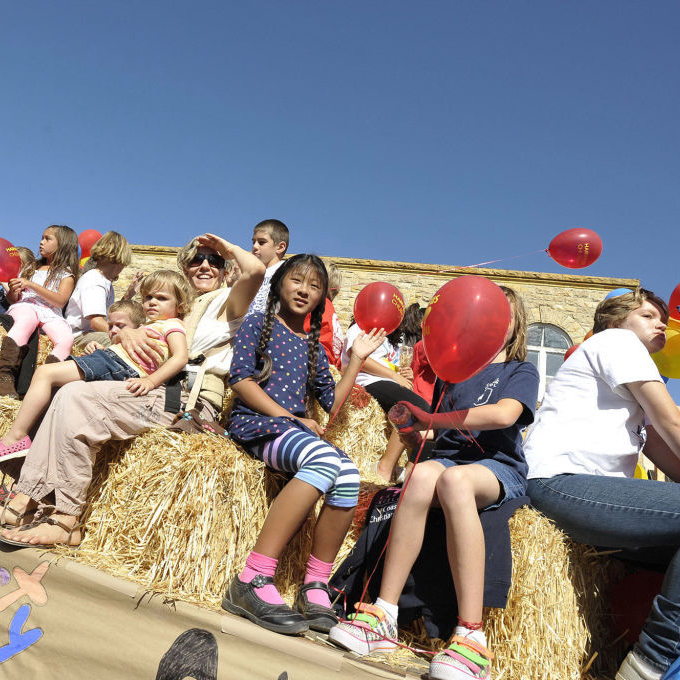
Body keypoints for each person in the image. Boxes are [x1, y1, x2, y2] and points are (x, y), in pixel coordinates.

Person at [0, 233, 265, 548]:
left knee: (77, 398)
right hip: (146, 386)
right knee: (65, 390)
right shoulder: (166, 304)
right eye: (196, 259)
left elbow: (254, 271)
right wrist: (123, 337)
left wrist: (227, 249)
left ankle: (65, 520)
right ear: (184, 268)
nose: (205, 265)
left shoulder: (226, 303)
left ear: (225, 269)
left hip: (183, 396)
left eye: (214, 261)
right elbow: (111, 336)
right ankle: (22, 503)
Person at [521, 289, 680, 680]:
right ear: (616, 320)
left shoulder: (622, 365)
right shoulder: (617, 341)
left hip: (591, 496)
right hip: (559, 483)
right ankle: (649, 664)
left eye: (661, 316)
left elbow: (661, 448)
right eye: (648, 315)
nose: (661, 323)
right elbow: (673, 423)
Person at [329, 287, 538, 680]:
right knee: (423, 474)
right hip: (447, 461)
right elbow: (435, 440)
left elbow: (503, 415)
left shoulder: (519, 370)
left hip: (496, 467)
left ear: (516, 324)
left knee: (456, 482)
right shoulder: (455, 373)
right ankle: (385, 614)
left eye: (501, 315)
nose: (491, 323)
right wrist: (411, 433)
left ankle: (471, 636)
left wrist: (432, 423)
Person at [222, 254, 387, 636]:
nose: (304, 291)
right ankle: (253, 577)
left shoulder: (313, 346)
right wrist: (289, 417)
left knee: (346, 473)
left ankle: (314, 585)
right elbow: (241, 380)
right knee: (327, 461)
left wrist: (357, 361)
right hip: (258, 426)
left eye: (315, 287)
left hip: (292, 433)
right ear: (280, 282)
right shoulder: (258, 324)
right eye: (297, 281)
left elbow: (335, 403)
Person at [0, 271, 191, 466]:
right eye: (148, 297)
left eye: (161, 298)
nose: (152, 302)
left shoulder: (173, 326)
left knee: (45, 373)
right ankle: (27, 447)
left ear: (180, 307)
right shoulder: (149, 326)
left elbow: (180, 357)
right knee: (53, 388)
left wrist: (151, 381)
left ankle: (16, 437)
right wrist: (104, 346)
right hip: (113, 360)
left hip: (121, 366)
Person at [344, 303, 427, 483]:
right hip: (367, 381)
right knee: (421, 408)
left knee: (416, 414)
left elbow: (394, 369)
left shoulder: (392, 341)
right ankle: (385, 468)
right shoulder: (360, 328)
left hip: (387, 383)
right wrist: (393, 376)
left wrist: (405, 374)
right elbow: (359, 359)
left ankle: (409, 474)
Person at [0, 225, 79, 397]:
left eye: (48, 239)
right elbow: (13, 299)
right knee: (27, 320)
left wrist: (30, 284)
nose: (41, 242)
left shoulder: (66, 274)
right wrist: (14, 290)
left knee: (66, 339)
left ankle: (44, 381)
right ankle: (4, 376)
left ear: (63, 244)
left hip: (50, 313)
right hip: (26, 306)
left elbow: (60, 300)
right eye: (42, 237)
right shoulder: (31, 268)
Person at [67, 231, 133, 353]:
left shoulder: (105, 282)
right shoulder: (95, 280)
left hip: (88, 333)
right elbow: (96, 322)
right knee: (123, 343)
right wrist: (125, 334)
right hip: (80, 335)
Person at [246, 219, 290, 316]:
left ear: (280, 247)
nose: (255, 246)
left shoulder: (286, 272)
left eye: (261, 242)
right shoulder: (252, 274)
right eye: (253, 242)